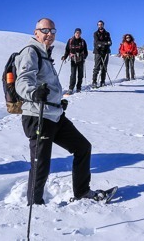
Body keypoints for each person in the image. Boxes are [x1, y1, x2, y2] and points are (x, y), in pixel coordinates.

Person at [15, 18, 99, 205]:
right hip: (38, 116)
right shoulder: (31, 51)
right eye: (45, 30)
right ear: (36, 32)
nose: (50, 34)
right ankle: (35, 204)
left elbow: (47, 84)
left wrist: (57, 101)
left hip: (54, 114)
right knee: (41, 164)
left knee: (83, 147)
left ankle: (82, 192)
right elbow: (22, 82)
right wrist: (35, 93)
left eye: (53, 31)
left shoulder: (45, 53)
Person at [61, 28, 88, 94]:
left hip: (81, 59)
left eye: (79, 33)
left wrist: (84, 56)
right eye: (76, 33)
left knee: (80, 74)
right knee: (73, 74)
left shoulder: (83, 41)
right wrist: (65, 56)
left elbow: (86, 51)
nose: (77, 34)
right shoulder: (70, 41)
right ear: (74, 33)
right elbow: (67, 50)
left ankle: (78, 88)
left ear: (80, 34)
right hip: (73, 59)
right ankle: (71, 88)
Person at [92, 20, 112, 88]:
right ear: (97, 25)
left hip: (106, 52)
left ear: (103, 25)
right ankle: (94, 82)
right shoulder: (95, 33)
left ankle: (102, 81)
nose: (100, 26)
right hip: (98, 52)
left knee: (104, 67)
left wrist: (104, 44)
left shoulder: (107, 33)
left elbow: (110, 42)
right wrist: (105, 43)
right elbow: (97, 42)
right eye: (99, 24)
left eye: (101, 24)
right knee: (96, 67)